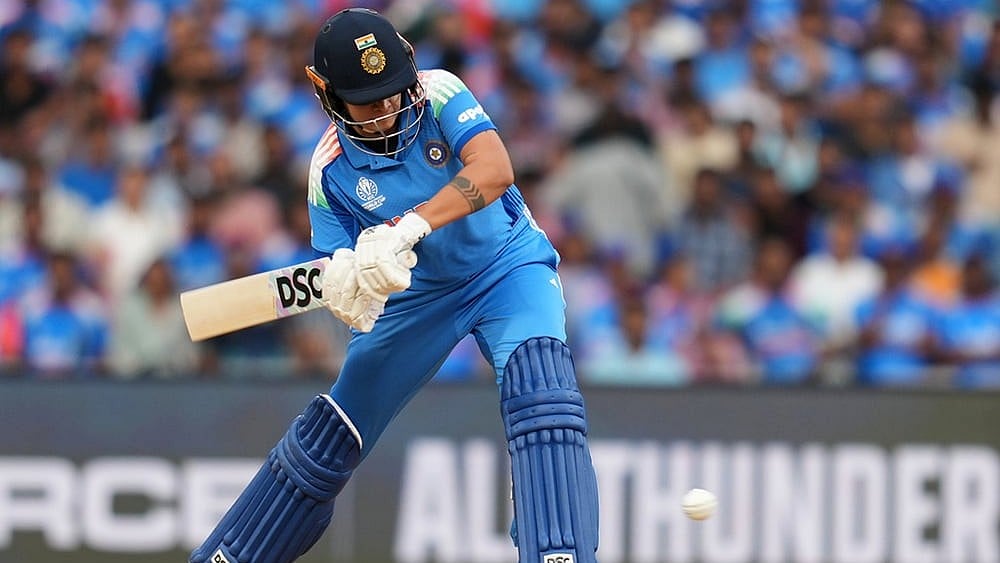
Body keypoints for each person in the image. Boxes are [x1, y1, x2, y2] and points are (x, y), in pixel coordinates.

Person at [190, 8, 601, 563]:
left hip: (505, 266)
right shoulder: (329, 173)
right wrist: (349, 282)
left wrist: (410, 223)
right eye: (367, 99)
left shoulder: (438, 93)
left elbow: (494, 168)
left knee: (542, 392)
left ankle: (562, 555)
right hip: (416, 300)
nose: (386, 111)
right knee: (325, 440)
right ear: (327, 94)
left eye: (392, 92)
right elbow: (345, 271)